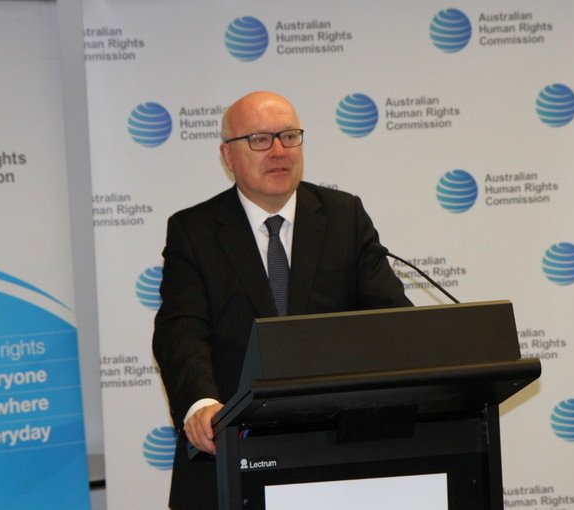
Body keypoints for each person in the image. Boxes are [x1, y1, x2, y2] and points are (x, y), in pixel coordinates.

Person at [152, 91, 411, 510]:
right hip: (232, 455)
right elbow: (181, 332)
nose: (278, 151)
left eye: (289, 136)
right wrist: (202, 404)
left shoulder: (344, 216)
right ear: (228, 155)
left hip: (338, 456)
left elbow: (391, 321)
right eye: (259, 139)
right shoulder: (194, 231)